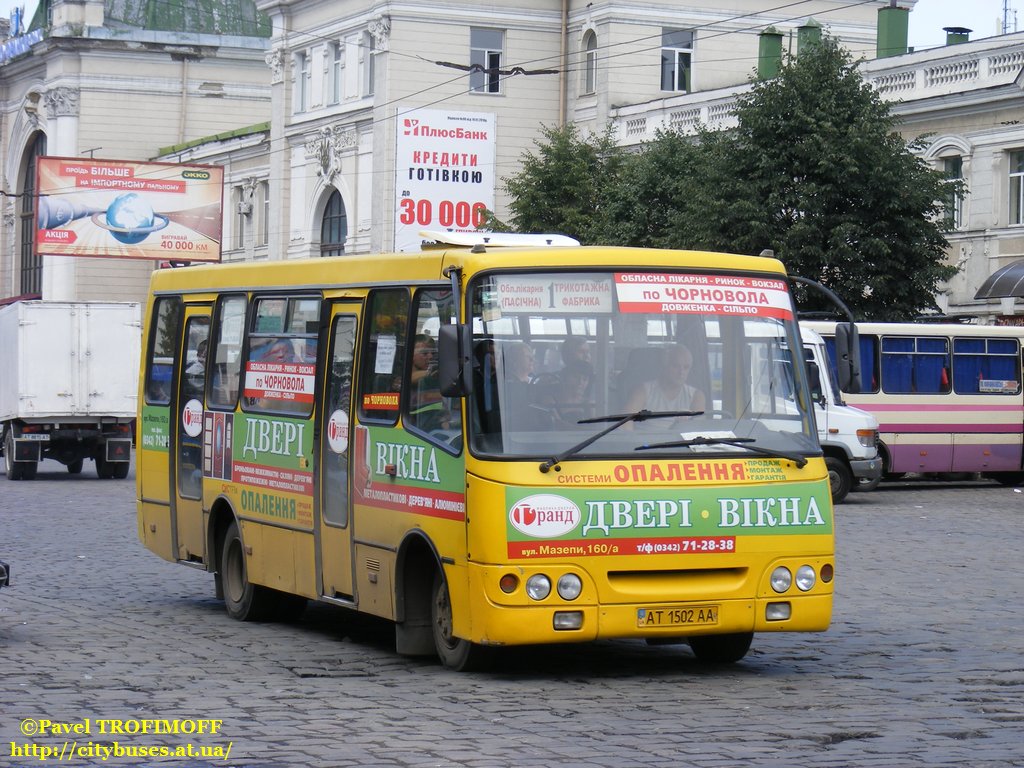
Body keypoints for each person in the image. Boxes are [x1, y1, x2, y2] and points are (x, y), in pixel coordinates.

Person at [625, 345, 705, 425]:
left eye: (686, 367)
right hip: (646, 437)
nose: (681, 372)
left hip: (679, 438)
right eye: (675, 366)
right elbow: (625, 425)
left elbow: (698, 430)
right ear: (665, 366)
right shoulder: (642, 392)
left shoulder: (696, 396)